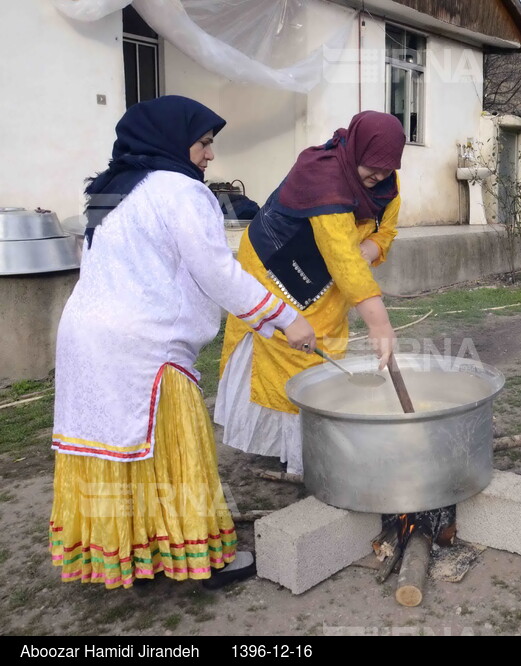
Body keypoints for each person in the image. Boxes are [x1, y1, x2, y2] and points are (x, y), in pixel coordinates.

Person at [49, 95, 316, 590]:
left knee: (114, 451)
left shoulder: (112, 192)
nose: (210, 155)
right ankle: (200, 560)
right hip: (144, 347)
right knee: (174, 451)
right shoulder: (181, 191)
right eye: (205, 143)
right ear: (176, 141)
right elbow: (216, 271)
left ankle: (134, 557)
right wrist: (285, 317)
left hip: (85, 340)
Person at [215, 111, 404, 475]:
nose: (379, 176)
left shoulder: (386, 185)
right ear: (357, 147)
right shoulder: (324, 175)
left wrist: (372, 249)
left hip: (329, 273)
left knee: (325, 346)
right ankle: (303, 456)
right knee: (292, 347)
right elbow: (343, 259)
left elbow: (385, 233)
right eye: (373, 167)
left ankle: (305, 442)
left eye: (387, 168)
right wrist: (380, 327)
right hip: (276, 264)